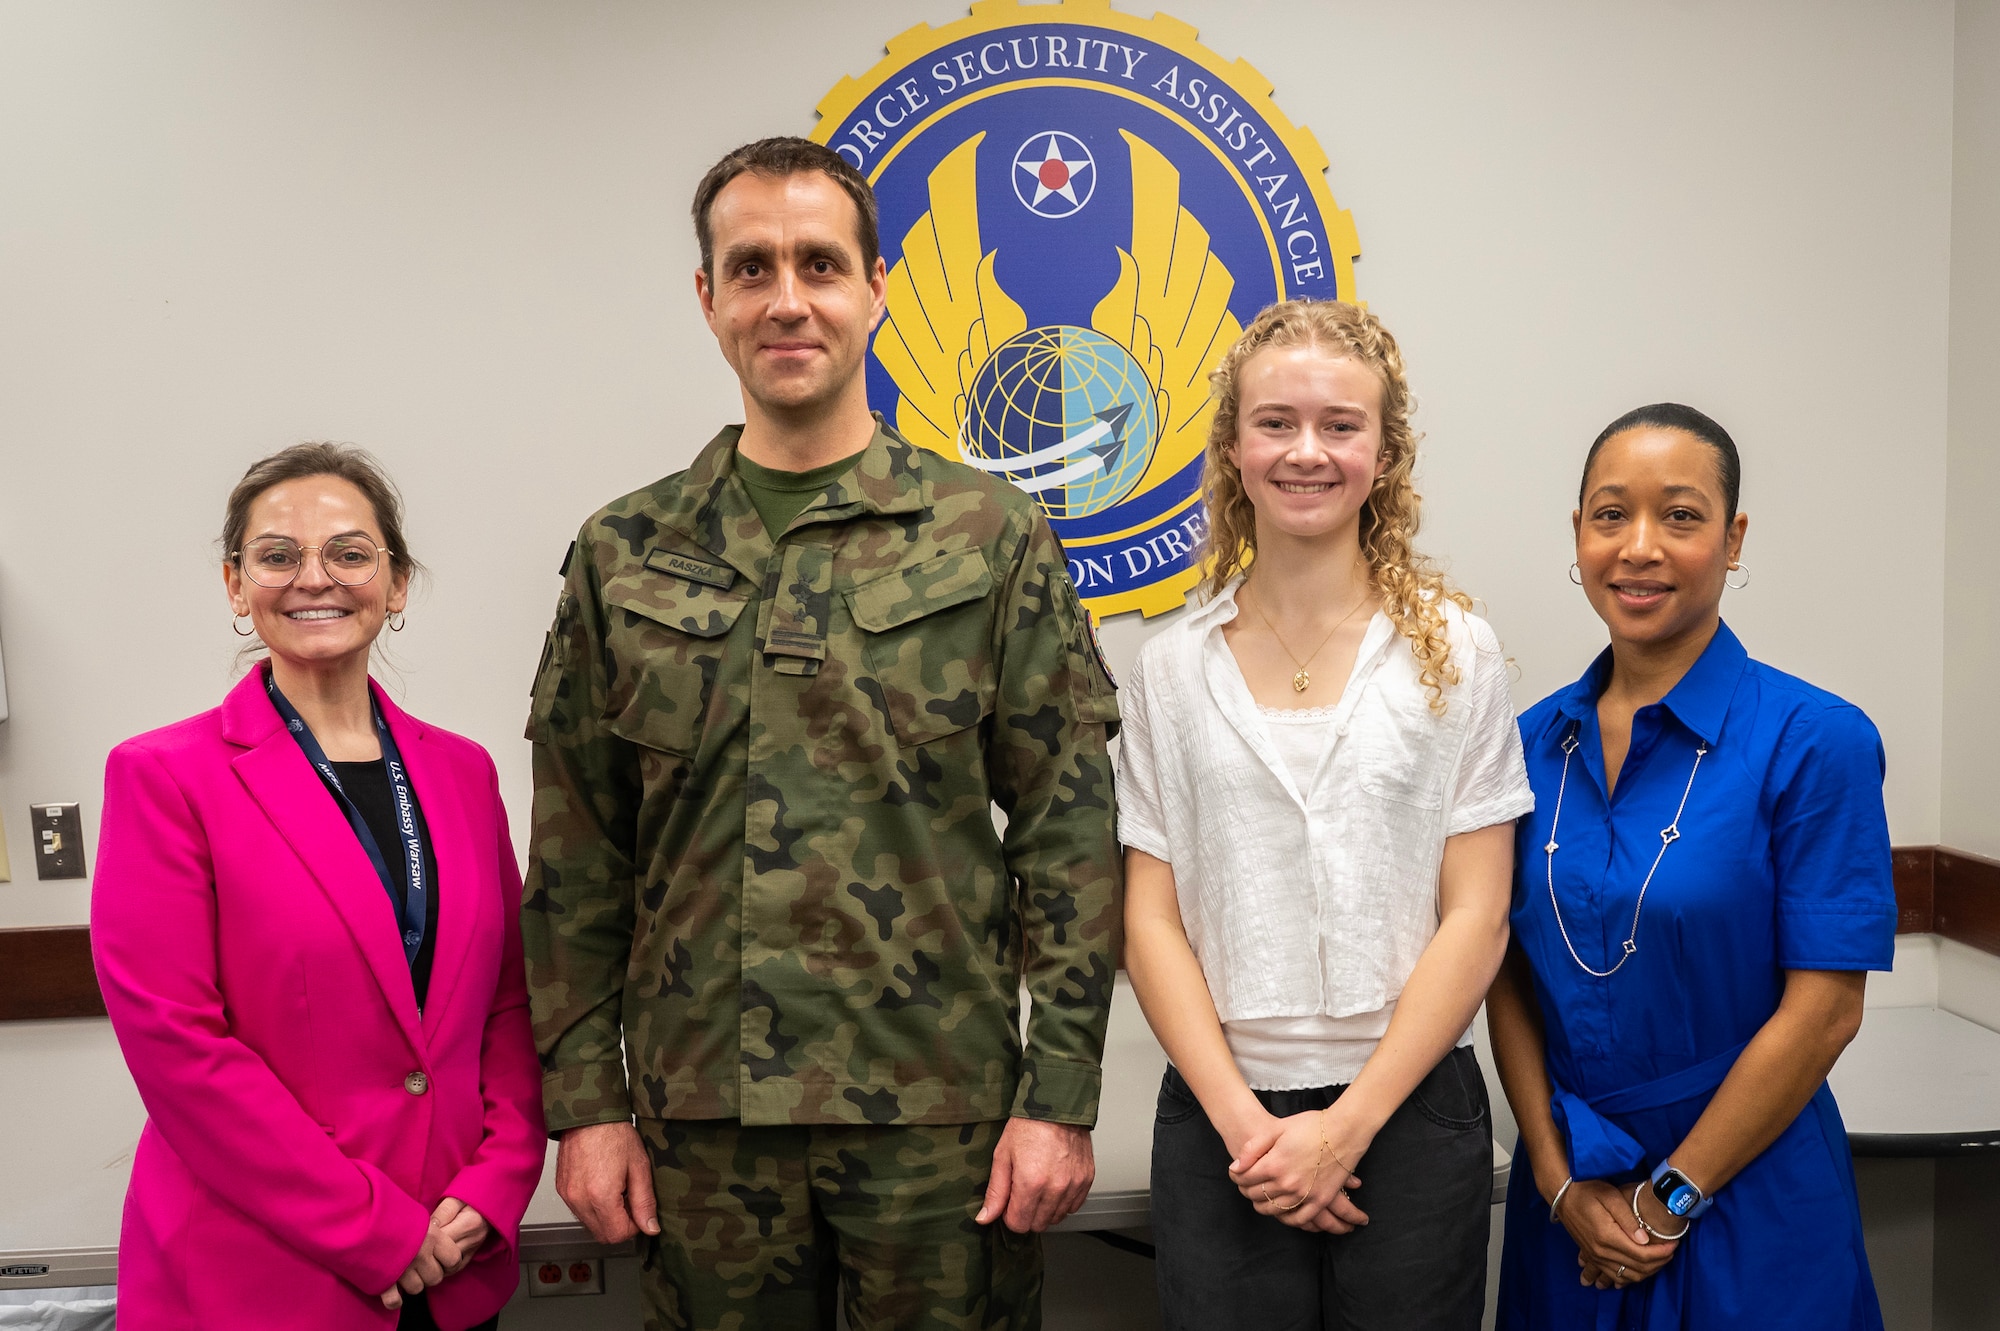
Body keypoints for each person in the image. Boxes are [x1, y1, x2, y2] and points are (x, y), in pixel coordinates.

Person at [522, 137, 1121, 1330]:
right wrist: (587, 1105)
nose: (785, 299)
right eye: (750, 268)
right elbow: (579, 855)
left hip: (937, 1118)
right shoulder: (623, 551)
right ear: (707, 299)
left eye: (818, 264)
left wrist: (1059, 1096)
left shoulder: (987, 534)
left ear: (876, 287)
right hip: (703, 1124)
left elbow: (1068, 831)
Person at [1118, 300, 1532, 1330]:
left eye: (1340, 425)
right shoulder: (1170, 669)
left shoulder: (1455, 652)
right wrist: (1248, 1130)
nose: (1307, 450)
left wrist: (1344, 1128)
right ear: (1230, 446)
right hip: (1224, 1118)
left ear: (1384, 452)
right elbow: (1146, 920)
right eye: (1275, 421)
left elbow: (1477, 915)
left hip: (1408, 1110)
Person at [92, 444, 547, 1331]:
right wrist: (373, 1227)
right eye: (277, 554)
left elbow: (507, 1004)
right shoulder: (164, 777)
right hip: (262, 1277)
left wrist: (497, 1184)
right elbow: (181, 1048)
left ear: (397, 582)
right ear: (235, 584)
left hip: (455, 1256)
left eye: (348, 552)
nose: (315, 578)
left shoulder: (463, 773)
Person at [1488, 403, 1895, 1327]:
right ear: (1579, 534)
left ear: (1732, 537)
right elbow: (1501, 971)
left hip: (1748, 1190)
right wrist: (1556, 1184)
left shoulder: (1815, 741)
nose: (1640, 547)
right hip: (1574, 1204)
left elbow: (1827, 1008)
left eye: (1680, 515)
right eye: (1609, 515)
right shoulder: (1524, 744)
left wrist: (1667, 1199)